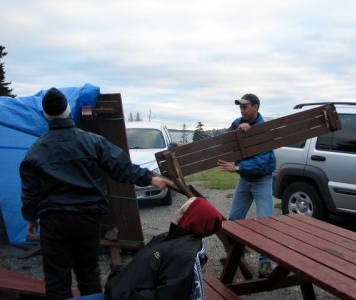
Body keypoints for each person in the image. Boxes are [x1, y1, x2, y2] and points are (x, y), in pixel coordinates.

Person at [20, 87, 173, 299]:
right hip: (88, 218)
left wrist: (31, 218)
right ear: (68, 110)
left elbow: (30, 192)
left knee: (56, 280)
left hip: (53, 221)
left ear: (46, 115)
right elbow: (121, 166)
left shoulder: (35, 150)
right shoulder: (92, 141)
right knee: (89, 275)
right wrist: (150, 178)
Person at [104, 196, 223, 300]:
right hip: (118, 289)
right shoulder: (169, 237)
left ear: (191, 219)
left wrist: (124, 294)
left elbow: (167, 296)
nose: (179, 210)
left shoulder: (183, 254)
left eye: (184, 210)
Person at [217, 93, 276, 278]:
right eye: (240, 107)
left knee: (265, 222)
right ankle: (236, 256)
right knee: (234, 220)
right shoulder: (238, 122)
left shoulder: (264, 130)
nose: (241, 110)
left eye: (245, 106)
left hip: (261, 180)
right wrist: (236, 129)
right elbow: (225, 140)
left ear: (256, 107)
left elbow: (264, 162)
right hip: (244, 180)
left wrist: (237, 167)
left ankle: (265, 262)